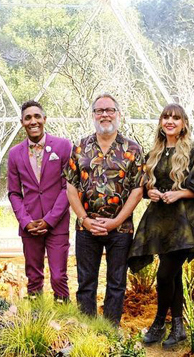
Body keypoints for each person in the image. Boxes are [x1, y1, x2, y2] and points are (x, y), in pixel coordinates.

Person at [128, 103, 194, 348]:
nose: (170, 121)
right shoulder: (155, 151)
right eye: (166, 117)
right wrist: (150, 191)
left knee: (165, 274)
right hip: (160, 223)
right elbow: (143, 183)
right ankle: (177, 327)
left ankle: (158, 323)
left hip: (185, 223)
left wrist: (180, 193)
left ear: (183, 123)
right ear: (161, 122)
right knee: (173, 275)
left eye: (176, 118)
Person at [64, 93, 143, 325]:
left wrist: (116, 221)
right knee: (86, 283)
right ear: (93, 115)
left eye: (110, 110)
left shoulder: (133, 149)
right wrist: (85, 220)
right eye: (100, 110)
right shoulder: (80, 147)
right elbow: (70, 187)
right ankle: (89, 331)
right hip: (86, 228)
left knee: (116, 283)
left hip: (121, 229)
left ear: (119, 114)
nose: (105, 114)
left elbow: (138, 190)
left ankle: (110, 331)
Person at [7, 100, 72, 301]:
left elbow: (67, 188)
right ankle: (37, 319)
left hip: (57, 223)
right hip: (30, 225)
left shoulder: (62, 147)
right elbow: (14, 193)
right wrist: (26, 222)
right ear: (22, 122)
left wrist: (50, 219)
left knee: (59, 275)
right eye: (28, 118)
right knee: (33, 277)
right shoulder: (15, 153)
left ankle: (63, 318)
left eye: (37, 116)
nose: (33, 121)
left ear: (44, 119)